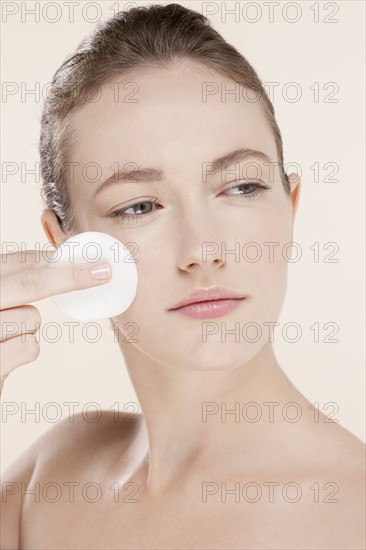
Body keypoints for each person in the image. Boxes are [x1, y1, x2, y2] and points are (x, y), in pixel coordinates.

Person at [1, 4, 364, 549]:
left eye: (241, 188)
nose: (203, 250)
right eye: (140, 205)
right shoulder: (49, 479)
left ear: (291, 207)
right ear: (66, 249)